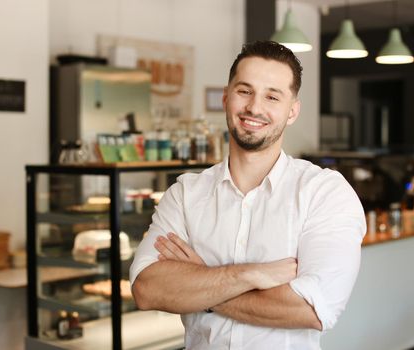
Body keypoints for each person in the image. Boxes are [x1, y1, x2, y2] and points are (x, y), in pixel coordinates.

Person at [130, 41, 366, 350]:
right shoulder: (185, 194)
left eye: (272, 96)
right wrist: (252, 274)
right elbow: (148, 289)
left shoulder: (324, 192)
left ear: (292, 110)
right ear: (226, 98)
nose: (255, 107)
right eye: (244, 91)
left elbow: (311, 309)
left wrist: (203, 285)